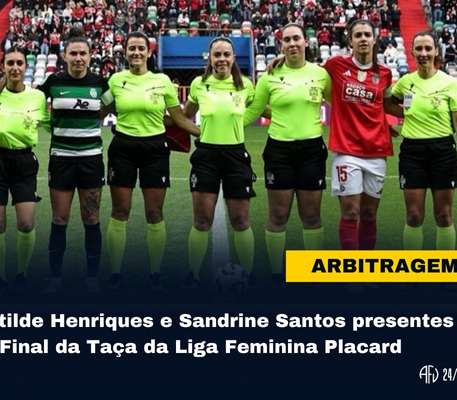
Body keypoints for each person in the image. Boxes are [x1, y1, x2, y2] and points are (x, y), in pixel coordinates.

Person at [268, 19, 397, 292]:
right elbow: (301, 65)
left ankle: (367, 271)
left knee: (369, 214)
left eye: (367, 35)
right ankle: (351, 275)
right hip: (345, 150)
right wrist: (282, 56)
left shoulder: (384, 74)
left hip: (376, 150)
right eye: (357, 35)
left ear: (375, 40)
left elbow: (384, 104)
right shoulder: (335, 66)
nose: (363, 39)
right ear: (349, 41)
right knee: (350, 213)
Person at [104, 32, 199, 291]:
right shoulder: (115, 81)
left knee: (154, 213)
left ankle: (155, 272)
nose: (136, 52)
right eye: (131, 48)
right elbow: (103, 110)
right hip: (122, 148)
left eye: (140, 48)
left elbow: (178, 118)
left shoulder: (163, 81)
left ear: (148, 52)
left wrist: (205, 134)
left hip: (155, 149)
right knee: (119, 212)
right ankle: (115, 273)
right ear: (125, 53)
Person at [243, 24, 332, 290]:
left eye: (297, 39)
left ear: (306, 41)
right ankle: (276, 274)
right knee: (278, 215)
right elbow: (253, 112)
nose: (292, 43)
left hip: (312, 151)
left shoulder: (321, 74)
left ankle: (311, 275)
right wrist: (215, 129)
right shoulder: (269, 76)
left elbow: (340, 106)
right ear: (280, 45)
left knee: (311, 217)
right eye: (286, 40)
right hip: (279, 151)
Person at [389, 31, 457, 291]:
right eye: (419, 49)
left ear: (436, 52)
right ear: (411, 53)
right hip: (412, 151)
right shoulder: (404, 83)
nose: (423, 53)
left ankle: (445, 273)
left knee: (444, 215)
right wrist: (393, 120)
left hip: (442, 151)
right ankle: (412, 273)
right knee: (414, 216)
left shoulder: (449, 83)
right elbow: (386, 103)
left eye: (428, 48)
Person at [36, 29, 113, 294]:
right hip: (61, 159)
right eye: (73, 53)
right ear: (64, 55)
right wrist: (50, 126)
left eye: (83, 53)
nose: (78, 58)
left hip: (91, 159)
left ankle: (92, 278)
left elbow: (110, 107)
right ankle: (55, 279)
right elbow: (32, 103)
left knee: (91, 218)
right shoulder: (52, 82)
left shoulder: (101, 84)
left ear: (90, 56)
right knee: (59, 218)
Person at [179, 37, 256, 292]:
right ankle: (192, 275)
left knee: (241, 221)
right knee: (201, 221)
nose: (221, 59)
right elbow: (184, 114)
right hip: (206, 157)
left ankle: (250, 276)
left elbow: (261, 109)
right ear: (209, 58)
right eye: (217, 54)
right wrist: (195, 131)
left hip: (236, 156)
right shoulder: (199, 85)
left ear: (234, 58)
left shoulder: (246, 85)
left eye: (226, 54)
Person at [0, 47, 49, 294]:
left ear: (26, 67)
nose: (15, 67)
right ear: (3, 66)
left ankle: (22, 272)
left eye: (20, 63)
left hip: (24, 162)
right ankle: (0, 277)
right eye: (10, 63)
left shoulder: (37, 97)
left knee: (26, 224)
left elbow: (49, 123)